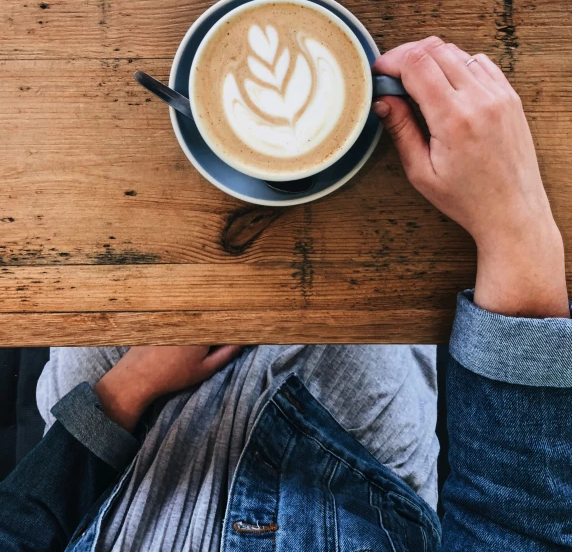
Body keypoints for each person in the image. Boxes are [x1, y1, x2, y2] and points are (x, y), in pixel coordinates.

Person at [0, 36, 570, 551]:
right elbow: (516, 529)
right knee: (366, 226)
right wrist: (515, 225)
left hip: (112, 457)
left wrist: (126, 392)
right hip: (340, 453)